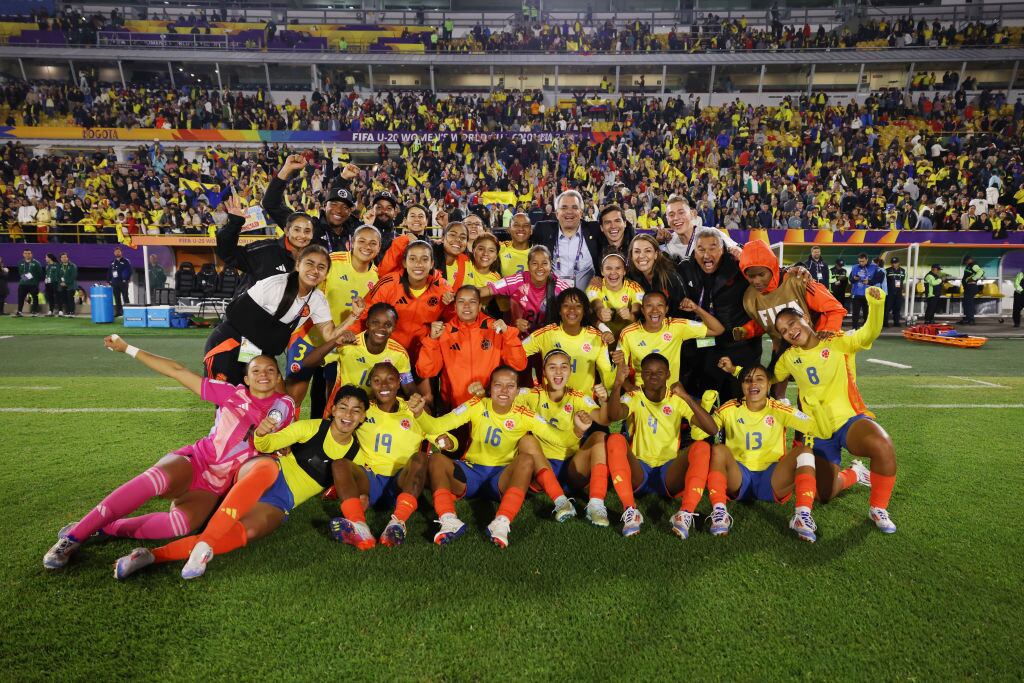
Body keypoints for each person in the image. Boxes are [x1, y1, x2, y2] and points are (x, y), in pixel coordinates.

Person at [43, 336, 296, 570]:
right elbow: (177, 371)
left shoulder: (284, 405)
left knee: (179, 526)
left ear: (278, 378)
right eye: (256, 370)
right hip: (196, 462)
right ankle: (72, 538)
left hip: (218, 487)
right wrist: (127, 348)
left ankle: (104, 528)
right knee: (152, 481)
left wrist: (278, 437)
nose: (263, 374)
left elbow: (282, 421)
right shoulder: (231, 393)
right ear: (247, 379)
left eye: (270, 370)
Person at [115, 386, 370, 580]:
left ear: (363, 417)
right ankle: (203, 542)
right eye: (343, 407)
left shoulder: (356, 453)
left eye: (356, 410)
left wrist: (362, 500)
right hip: (265, 471)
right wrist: (261, 433)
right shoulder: (312, 428)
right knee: (266, 469)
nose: (348, 415)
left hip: (281, 501)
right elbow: (266, 444)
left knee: (246, 532)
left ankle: (151, 556)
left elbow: (364, 480)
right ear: (333, 410)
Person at [763, 286, 898, 534]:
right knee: (824, 494)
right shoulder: (788, 358)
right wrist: (736, 371)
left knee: (882, 445)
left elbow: (868, 334)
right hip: (817, 431)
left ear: (805, 318)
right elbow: (767, 379)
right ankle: (855, 473)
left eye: (792, 323)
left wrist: (876, 305)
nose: (790, 331)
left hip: (848, 420)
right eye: (783, 330)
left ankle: (878, 508)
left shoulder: (837, 341)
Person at [426, 365, 587, 548]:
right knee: (436, 459)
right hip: (471, 472)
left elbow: (561, 439)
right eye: (498, 385)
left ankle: (502, 522)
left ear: (517, 391)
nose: (504, 390)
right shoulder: (476, 404)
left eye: (510, 386)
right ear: (490, 388)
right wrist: (418, 413)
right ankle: (449, 520)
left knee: (527, 459)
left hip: (501, 478)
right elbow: (436, 426)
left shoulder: (524, 414)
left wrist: (578, 430)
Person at [327, 364, 455, 550]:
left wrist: (447, 442)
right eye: (377, 381)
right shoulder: (364, 410)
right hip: (370, 480)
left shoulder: (414, 410)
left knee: (420, 457)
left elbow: (439, 434)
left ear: (399, 382)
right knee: (339, 465)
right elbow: (338, 430)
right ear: (370, 384)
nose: (384, 385)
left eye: (390, 380)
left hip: (402, 482)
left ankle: (397, 523)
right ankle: (359, 526)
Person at [604, 352, 720, 539]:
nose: (653, 376)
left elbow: (712, 429)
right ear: (642, 375)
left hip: (669, 472)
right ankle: (630, 510)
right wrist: (618, 385)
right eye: (648, 372)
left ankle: (685, 513)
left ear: (668, 374)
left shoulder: (676, 399)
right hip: (639, 471)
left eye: (659, 372)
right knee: (615, 439)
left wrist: (686, 397)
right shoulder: (634, 396)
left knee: (703, 447)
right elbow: (613, 416)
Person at [704, 364, 820, 542]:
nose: (753, 384)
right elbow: (700, 433)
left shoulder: (779, 409)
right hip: (739, 477)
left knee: (804, 451)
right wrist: (705, 409)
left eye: (759, 379)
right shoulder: (730, 408)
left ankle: (802, 516)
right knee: (718, 449)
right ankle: (720, 512)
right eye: (747, 380)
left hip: (772, 479)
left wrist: (813, 408)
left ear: (768, 384)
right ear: (742, 385)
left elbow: (813, 426)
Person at [203, 244, 346, 388]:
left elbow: (330, 335)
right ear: (298, 265)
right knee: (225, 397)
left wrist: (354, 316)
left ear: (326, 273)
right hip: (229, 344)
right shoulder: (276, 285)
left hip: (256, 350)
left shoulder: (317, 299)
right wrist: (272, 338)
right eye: (309, 263)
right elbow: (235, 312)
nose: (315, 270)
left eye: (321, 267)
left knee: (263, 397)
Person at [288, 224, 381, 417]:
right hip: (309, 337)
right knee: (293, 396)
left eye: (373, 243)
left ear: (379, 247)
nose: (367, 246)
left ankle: (323, 432)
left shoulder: (378, 276)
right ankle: (285, 434)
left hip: (342, 344)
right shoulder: (332, 261)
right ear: (352, 243)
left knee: (334, 400)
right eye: (362, 241)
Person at [516, 349, 611, 526]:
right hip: (541, 466)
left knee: (600, 436)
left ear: (570, 371)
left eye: (564, 367)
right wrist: (483, 392)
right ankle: (561, 502)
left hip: (573, 467)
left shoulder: (578, 397)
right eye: (552, 367)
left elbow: (604, 419)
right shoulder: (531, 395)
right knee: (526, 441)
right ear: (544, 372)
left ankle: (596, 504)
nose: (558, 372)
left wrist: (604, 401)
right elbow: (503, 400)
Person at [677, 228, 758, 400]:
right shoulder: (685, 268)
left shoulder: (738, 265)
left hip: (740, 346)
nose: (706, 255)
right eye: (701, 249)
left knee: (739, 401)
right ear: (694, 251)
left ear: (723, 249)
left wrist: (798, 270)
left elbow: (768, 269)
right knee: (704, 401)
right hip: (705, 349)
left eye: (712, 248)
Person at [417, 285, 527, 409]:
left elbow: (519, 364)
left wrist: (508, 334)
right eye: (461, 301)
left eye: (472, 302)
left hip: (489, 405)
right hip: (455, 407)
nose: (466, 306)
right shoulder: (443, 332)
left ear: (480, 306)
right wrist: (432, 340)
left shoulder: (495, 328)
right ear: (455, 306)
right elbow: (425, 371)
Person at [351, 239, 453, 367]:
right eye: (412, 259)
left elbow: (452, 322)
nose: (418, 264)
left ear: (432, 263)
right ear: (404, 262)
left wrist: (452, 306)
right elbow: (365, 313)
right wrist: (350, 340)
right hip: (386, 355)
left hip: (421, 357)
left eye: (424, 259)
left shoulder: (443, 289)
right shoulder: (389, 283)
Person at [618, 290, 723, 390]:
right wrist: (630, 388)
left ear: (666, 309)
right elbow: (617, 368)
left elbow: (718, 329)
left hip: (671, 394)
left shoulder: (676, 326)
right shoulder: (628, 333)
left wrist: (696, 309)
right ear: (642, 310)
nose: (655, 310)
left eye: (660, 305)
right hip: (641, 393)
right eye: (649, 305)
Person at [522, 287, 616, 392]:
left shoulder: (597, 338)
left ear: (584, 311)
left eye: (578, 306)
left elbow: (609, 382)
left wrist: (619, 365)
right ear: (559, 310)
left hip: (584, 401)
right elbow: (516, 353)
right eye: (566, 305)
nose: (572, 310)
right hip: (551, 401)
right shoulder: (545, 334)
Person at [262, 154, 361, 253]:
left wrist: (343, 177)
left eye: (345, 207)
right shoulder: (310, 228)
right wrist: (286, 170)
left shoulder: (356, 231)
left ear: (350, 211)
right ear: (324, 206)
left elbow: (336, 194)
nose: (339, 210)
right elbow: (271, 203)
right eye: (334, 204)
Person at [217, 194, 314, 287]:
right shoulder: (265, 250)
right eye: (297, 230)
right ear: (286, 231)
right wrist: (234, 223)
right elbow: (228, 254)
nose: (302, 235)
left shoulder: (316, 258)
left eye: (307, 231)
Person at [483, 245, 572, 335]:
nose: (540, 268)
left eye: (544, 263)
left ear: (550, 265)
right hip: (520, 340)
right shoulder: (517, 280)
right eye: (535, 263)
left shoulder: (560, 287)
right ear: (528, 265)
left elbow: (577, 308)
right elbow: (484, 291)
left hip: (549, 340)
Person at [531, 190, 603, 289]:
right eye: (564, 207)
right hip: (553, 295)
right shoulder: (543, 230)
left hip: (587, 295)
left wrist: (600, 277)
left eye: (574, 207)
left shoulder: (594, 229)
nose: (569, 211)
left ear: (581, 213)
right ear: (557, 213)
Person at [663, 194, 741, 261]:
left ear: (691, 214)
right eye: (671, 215)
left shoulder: (712, 234)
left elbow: (739, 251)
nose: (676, 218)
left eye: (681, 212)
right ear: (667, 220)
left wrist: (737, 252)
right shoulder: (668, 244)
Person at [586, 253, 644, 341]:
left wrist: (630, 316)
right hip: (602, 339)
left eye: (618, 268)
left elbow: (638, 313)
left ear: (624, 271)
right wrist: (600, 312)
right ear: (602, 271)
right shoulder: (595, 286)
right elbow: (595, 306)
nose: (613, 272)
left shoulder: (635, 288)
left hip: (629, 340)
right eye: (608, 268)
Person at [627, 234, 687, 312]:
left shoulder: (671, 277)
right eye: (637, 251)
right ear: (631, 255)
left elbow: (684, 310)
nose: (641, 256)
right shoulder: (628, 279)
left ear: (656, 254)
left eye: (648, 251)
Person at [849, 253, 881, 327]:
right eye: (859, 261)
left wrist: (869, 282)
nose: (861, 263)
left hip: (868, 295)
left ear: (867, 260)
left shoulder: (874, 267)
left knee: (867, 313)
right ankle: (854, 329)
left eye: (863, 261)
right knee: (855, 314)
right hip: (856, 294)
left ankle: (867, 329)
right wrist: (854, 278)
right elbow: (850, 280)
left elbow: (879, 279)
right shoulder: (854, 267)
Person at [958, 255, 984, 325]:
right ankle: (966, 319)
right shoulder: (969, 266)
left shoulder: (974, 265)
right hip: (968, 287)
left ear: (969, 260)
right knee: (966, 303)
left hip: (971, 287)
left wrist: (973, 279)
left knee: (969, 304)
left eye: (966, 261)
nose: (965, 263)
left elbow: (981, 272)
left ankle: (971, 319)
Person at [15, 249, 42, 317]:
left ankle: (34, 311)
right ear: (23, 254)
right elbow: (20, 272)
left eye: (29, 253)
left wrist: (36, 282)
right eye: (26, 253)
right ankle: (19, 311)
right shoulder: (20, 262)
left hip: (33, 284)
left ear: (31, 254)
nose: (27, 255)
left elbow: (40, 274)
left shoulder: (36, 263)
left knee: (35, 297)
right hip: (23, 284)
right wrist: (26, 278)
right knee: (21, 297)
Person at [108, 246, 133, 318]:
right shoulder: (112, 262)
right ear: (114, 253)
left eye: (118, 252)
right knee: (117, 298)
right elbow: (109, 272)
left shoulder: (126, 261)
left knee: (125, 297)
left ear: (121, 252)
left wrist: (126, 279)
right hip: (115, 283)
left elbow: (129, 271)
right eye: (116, 252)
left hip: (123, 282)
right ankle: (118, 312)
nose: (117, 253)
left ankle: (128, 312)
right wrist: (109, 280)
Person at [884, 256, 907, 327]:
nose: (894, 264)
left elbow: (903, 281)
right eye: (892, 263)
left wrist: (904, 290)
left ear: (898, 263)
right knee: (887, 308)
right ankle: (885, 323)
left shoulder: (902, 271)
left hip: (898, 293)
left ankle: (896, 322)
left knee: (897, 308)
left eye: (895, 263)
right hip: (889, 293)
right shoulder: (887, 270)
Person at [55, 253, 77, 317]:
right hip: (62, 285)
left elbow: (73, 276)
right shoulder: (59, 266)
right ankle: (67, 312)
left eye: (65, 257)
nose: (64, 258)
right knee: (65, 299)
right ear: (60, 259)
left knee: (70, 298)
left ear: (67, 258)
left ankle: (72, 312)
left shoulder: (72, 266)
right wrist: (60, 282)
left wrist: (66, 283)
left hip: (71, 285)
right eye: (62, 257)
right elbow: (57, 275)